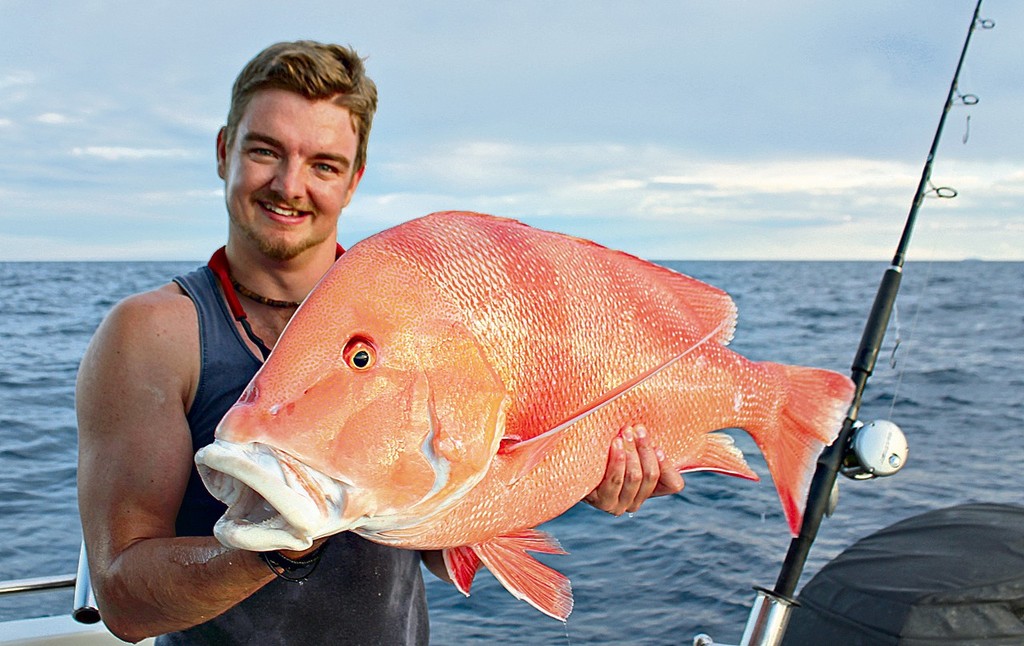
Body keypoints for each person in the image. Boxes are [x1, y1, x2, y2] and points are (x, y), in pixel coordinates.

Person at [76, 40, 684, 645]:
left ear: (354, 178)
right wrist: (274, 544)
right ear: (223, 151)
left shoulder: (422, 323)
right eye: (265, 152)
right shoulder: (153, 334)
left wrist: (570, 478)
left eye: (324, 164)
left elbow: (442, 547)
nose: (289, 185)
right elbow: (123, 598)